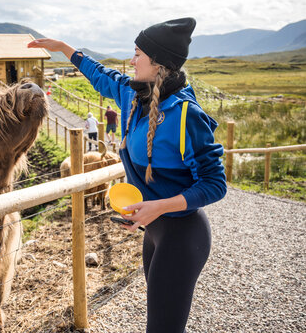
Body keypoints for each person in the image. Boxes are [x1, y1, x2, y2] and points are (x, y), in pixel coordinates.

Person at [28, 17, 227, 333]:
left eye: (138, 54)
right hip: (154, 232)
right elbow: (101, 75)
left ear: (158, 63)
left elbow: (215, 184)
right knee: (163, 323)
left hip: (182, 235)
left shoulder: (187, 115)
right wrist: (65, 49)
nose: (132, 61)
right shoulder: (134, 95)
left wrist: (159, 206)